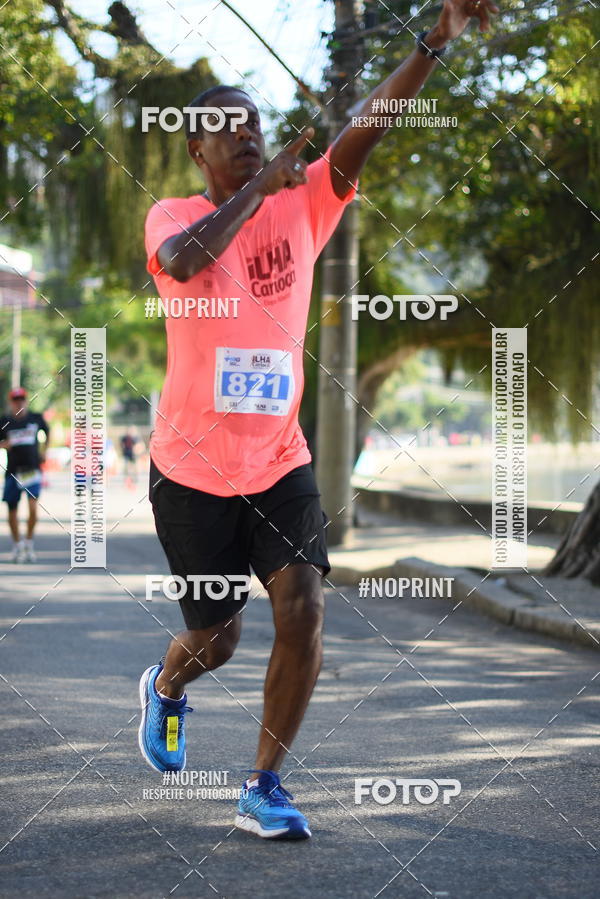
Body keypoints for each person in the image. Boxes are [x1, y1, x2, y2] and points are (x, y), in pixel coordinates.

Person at [139, 0, 498, 839]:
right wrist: (256, 192)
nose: (246, 135)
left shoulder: (308, 202)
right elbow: (185, 266)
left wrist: (433, 42)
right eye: (226, 127)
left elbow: (369, 124)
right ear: (198, 149)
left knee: (301, 606)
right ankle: (165, 685)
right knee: (215, 635)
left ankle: (263, 783)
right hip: (190, 467)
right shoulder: (175, 218)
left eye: (254, 122)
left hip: (279, 457)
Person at [0, 387, 50, 563]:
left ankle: (29, 542)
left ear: (26, 401)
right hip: (13, 471)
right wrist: (4, 444)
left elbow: (47, 432)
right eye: (15, 399)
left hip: (31, 470)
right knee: (12, 510)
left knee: (33, 509)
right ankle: (17, 545)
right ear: (11, 402)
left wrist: (45, 450)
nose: (19, 402)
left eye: (22, 399)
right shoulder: (5, 421)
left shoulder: (35, 418)